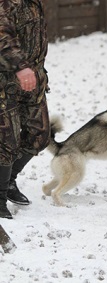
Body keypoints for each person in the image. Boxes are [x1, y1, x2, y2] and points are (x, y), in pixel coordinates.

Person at [0, 0, 50, 219]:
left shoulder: (33, 3)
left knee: (40, 134)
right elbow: (2, 37)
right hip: (6, 82)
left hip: (33, 81)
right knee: (6, 143)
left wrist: (37, 73)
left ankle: (8, 180)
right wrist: (21, 67)